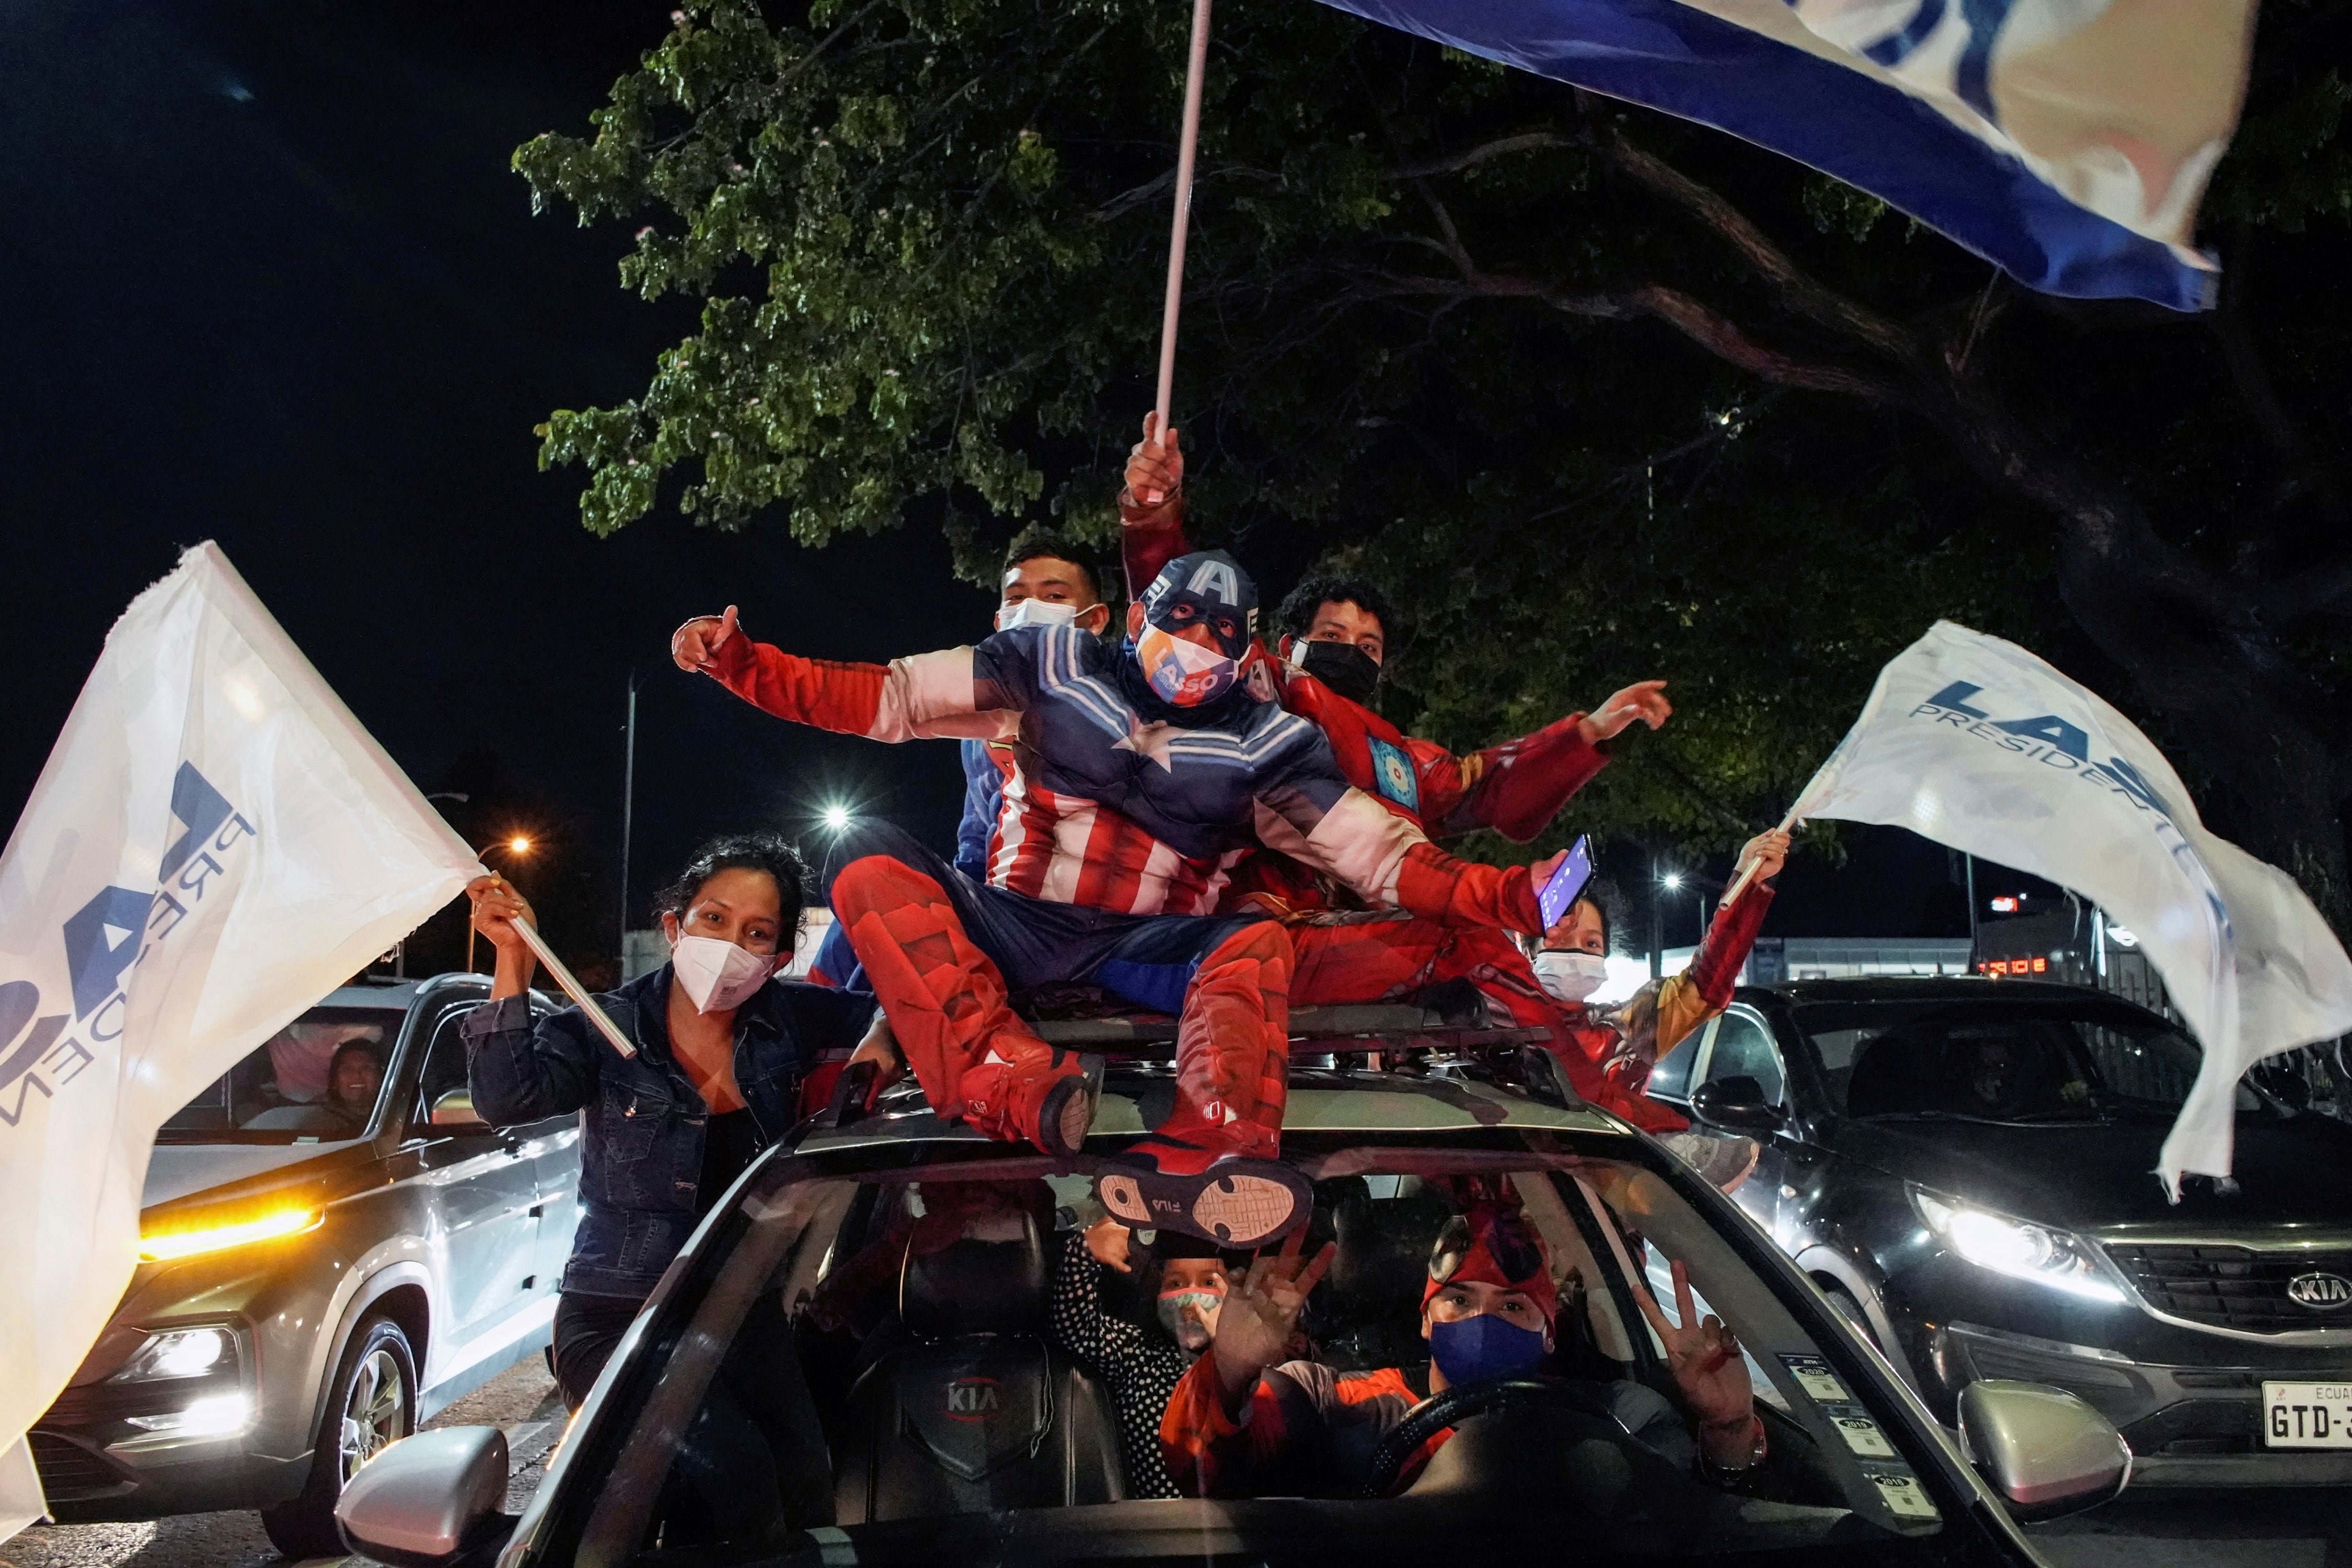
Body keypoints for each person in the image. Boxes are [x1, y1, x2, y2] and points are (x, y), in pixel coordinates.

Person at [671, 550, 1570, 1244]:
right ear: (1139, 613)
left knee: (1255, 940)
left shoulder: (1272, 742)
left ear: (1248, 645)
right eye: (1182, 618)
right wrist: (747, 665)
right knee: (863, 855)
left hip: (1148, 947)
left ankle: (1214, 1147)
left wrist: (1509, 897)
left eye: (1222, 632)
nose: (1198, 644)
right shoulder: (1047, 658)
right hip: (1012, 926)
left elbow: (1383, 856)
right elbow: (886, 697)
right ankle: (1006, 1080)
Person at [463, 834, 882, 1409]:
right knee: (705, 1460)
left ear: (777, 960)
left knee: (795, 1481)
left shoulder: (792, 1019)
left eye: (756, 933)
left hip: (742, 1313)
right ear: (673, 928)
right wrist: (513, 959)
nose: (730, 943)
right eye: (713, 918)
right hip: (617, 1312)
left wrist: (879, 1038)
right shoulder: (607, 1023)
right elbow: (506, 1098)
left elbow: (899, 1007)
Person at [1160, 1200, 1765, 1498]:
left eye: (1511, 1306)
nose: (1480, 1320)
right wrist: (1231, 1370)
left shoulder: (1621, 1416)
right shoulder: (1334, 1399)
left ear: (1549, 1330)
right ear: (1425, 1321)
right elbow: (1203, 1475)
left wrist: (1731, 1426)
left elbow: (1698, 1527)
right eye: (1458, 1301)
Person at [1526, 829, 1787, 1173]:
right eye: (1560, 940)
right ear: (1526, 947)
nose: (1577, 953)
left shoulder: (1627, 1025)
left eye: (1591, 944)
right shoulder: (1487, 1025)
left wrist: (1748, 883)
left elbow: (1705, 983)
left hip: (1618, 1215)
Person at [1050, 1216, 1246, 1497]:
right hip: (1156, 1527)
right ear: (1158, 1292)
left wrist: (1232, 1351)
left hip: (1241, 1527)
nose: (1190, 1300)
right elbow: (1074, 1326)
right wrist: (1083, 1251)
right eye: (1176, 1283)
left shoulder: (1255, 1360)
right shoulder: (1136, 1353)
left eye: (1208, 1282)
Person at [322, 1039, 384, 1129]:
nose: (357, 1075)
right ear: (335, 1082)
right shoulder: (320, 1124)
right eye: (348, 1069)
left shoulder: (396, 1117)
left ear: (380, 1078)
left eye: (366, 1068)